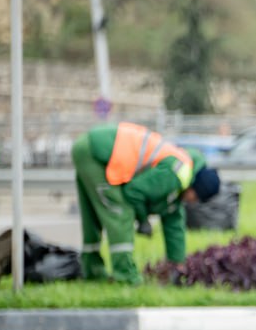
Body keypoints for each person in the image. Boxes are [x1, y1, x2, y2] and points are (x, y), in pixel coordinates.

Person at [72, 121, 221, 284]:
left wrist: (177, 265)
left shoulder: (182, 172)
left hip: (89, 147)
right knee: (121, 213)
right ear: (196, 188)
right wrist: (143, 220)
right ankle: (126, 276)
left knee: (92, 216)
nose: (193, 202)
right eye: (196, 197)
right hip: (99, 154)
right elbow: (133, 192)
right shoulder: (178, 172)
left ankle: (93, 272)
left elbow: (174, 222)